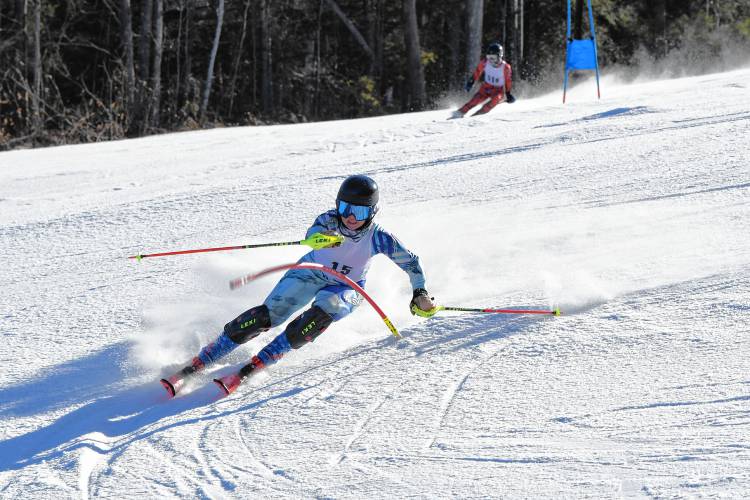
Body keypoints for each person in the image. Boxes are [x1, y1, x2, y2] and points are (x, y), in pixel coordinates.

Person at [161, 174, 437, 397]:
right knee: (265, 316)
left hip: (346, 287)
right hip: (311, 272)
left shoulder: (379, 237)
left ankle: (254, 366)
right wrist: (320, 238)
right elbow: (314, 232)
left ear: (373, 211)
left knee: (317, 317)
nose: (350, 217)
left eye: (359, 211)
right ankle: (199, 362)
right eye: (345, 208)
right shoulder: (329, 220)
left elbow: (411, 262)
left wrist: (420, 292)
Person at [451, 42, 515, 119]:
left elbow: (508, 81)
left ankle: (477, 116)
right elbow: (477, 72)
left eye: (493, 58)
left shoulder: (505, 67)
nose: (490, 60)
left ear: (499, 56)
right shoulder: (484, 63)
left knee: (494, 100)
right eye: (489, 57)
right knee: (475, 100)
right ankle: (460, 112)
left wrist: (508, 93)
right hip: (486, 88)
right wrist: (471, 82)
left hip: (498, 90)